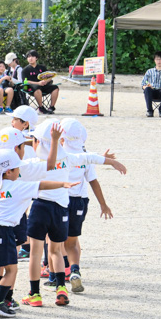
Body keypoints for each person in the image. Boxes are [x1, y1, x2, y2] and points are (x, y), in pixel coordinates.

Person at [0, 149, 77, 318]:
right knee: (11, 271)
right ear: (9, 171)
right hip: (4, 232)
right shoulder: (18, 187)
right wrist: (62, 184)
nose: (19, 172)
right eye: (17, 169)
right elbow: (41, 185)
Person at [59, 119, 126, 295]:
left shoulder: (57, 154)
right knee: (72, 241)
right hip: (80, 201)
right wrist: (103, 204)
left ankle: (56, 275)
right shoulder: (86, 156)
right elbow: (93, 181)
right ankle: (74, 270)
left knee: (56, 241)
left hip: (60, 201)